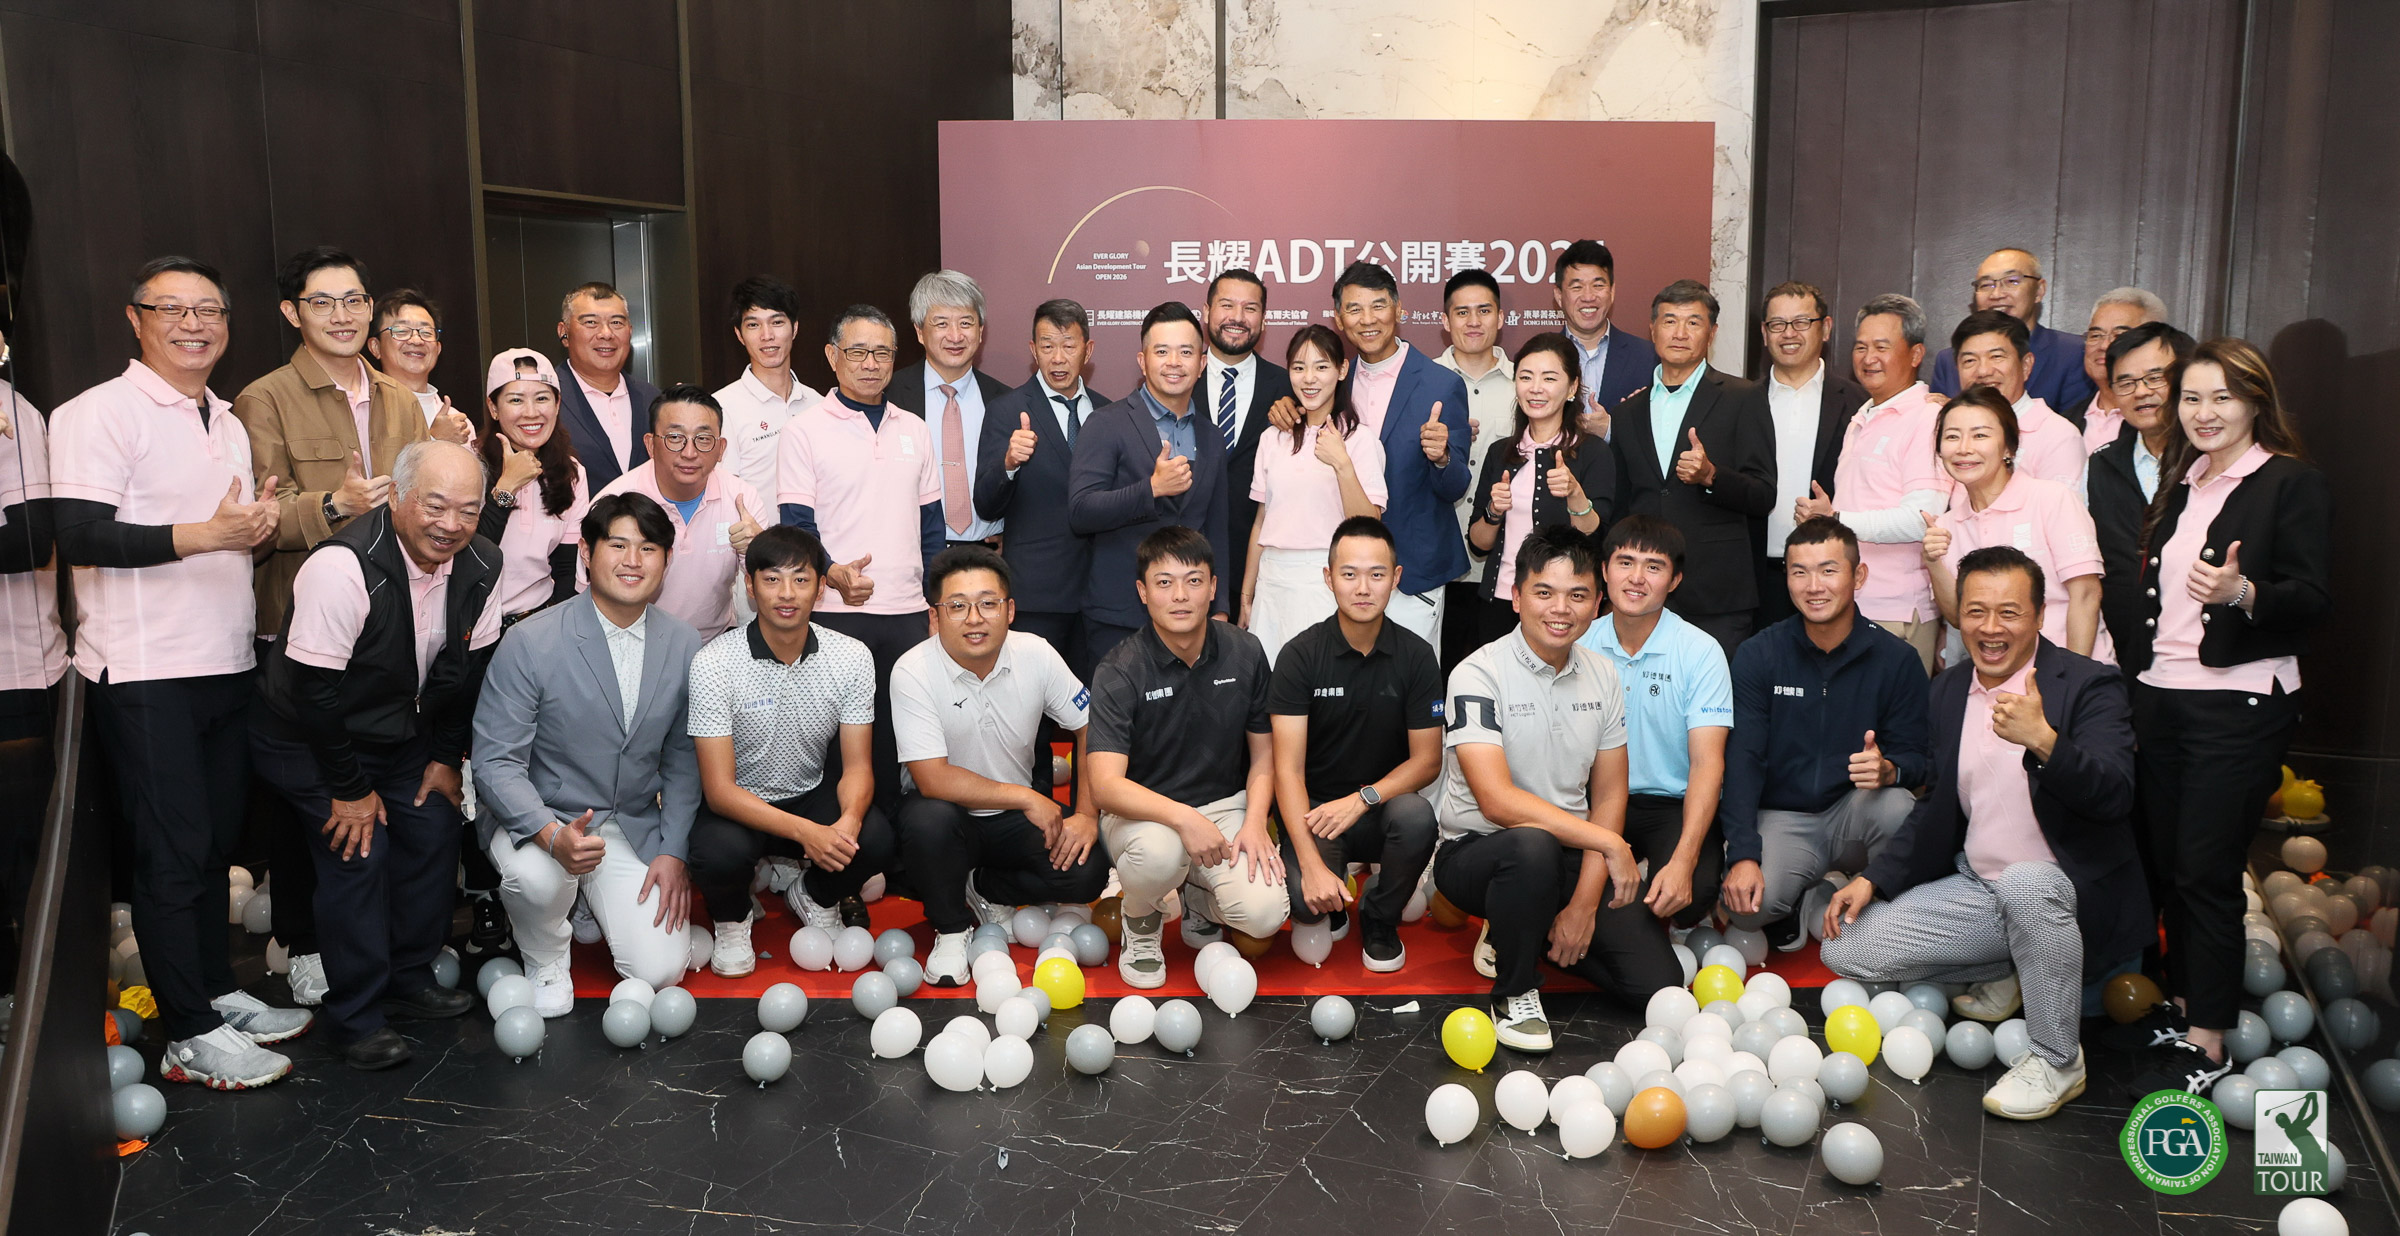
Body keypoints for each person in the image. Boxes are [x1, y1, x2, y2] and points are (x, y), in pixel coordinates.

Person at [52, 256, 309, 1088]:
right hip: (144, 670)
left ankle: (214, 993)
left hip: (224, 662)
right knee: (171, 853)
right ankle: (189, 1034)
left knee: (211, 850)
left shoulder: (224, 418)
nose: (193, 324)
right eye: (172, 309)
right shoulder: (98, 412)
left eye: (209, 311)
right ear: (135, 319)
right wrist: (205, 535)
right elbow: (79, 535)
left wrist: (254, 528)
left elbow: (228, 536)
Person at [1820, 548, 2146, 1120]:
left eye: (2009, 612)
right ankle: (2016, 965)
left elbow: (2115, 794)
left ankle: (2058, 1060)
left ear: (2039, 615)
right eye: (1975, 611)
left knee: (2026, 885)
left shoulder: (2089, 685)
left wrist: (2044, 740)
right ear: (1957, 616)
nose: (1990, 628)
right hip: (1981, 887)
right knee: (1845, 946)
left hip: (2063, 892)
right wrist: (1874, 879)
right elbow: (1935, 807)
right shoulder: (1949, 691)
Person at [2121, 338, 2329, 1097]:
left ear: (2255, 402)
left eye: (2222, 398)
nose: (2203, 413)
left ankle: (2209, 1041)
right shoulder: (2186, 479)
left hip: (2239, 702)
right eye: (2191, 398)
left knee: (2206, 870)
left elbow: (2312, 599)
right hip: (2162, 694)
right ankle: (2184, 1006)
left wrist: (2241, 594)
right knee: (2169, 864)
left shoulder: (2289, 482)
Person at [251, 442, 498, 1069]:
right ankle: (354, 1017)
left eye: (468, 510)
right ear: (398, 497)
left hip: (401, 734)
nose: (451, 525)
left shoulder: (483, 562)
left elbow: (467, 672)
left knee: (433, 825)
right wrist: (350, 789)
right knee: (359, 851)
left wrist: (445, 757)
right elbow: (313, 693)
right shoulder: (341, 567)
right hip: (309, 737)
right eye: (435, 506)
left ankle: (407, 978)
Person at [1435, 529, 1671, 1052]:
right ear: (1516, 597)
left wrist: (1583, 906)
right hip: (1478, 851)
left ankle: (1524, 927)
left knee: (1656, 986)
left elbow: (1609, 796)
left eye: (1577, 595)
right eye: (1544, 592)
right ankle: (1514, 990)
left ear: (1597, 603)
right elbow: (1497, 801)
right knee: (1531, 846)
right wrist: (1610, 844)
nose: (1561, 609)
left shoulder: (1603, 674)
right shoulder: (1477, 673)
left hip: (1570, 853)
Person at [472, 492, 704, 1013]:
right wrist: (551, 834)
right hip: (544, 818)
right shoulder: (530, 640)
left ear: (666, 560)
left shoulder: (684, 642)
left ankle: (585, 904)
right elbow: (495, 761)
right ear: (586, 552)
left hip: (629, 824)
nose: (632, 560)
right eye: (617, 545)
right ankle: (545, 954)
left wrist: (673, 852)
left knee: (661, 971)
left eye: (648, 548)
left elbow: (683, 759)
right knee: (533, 879)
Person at [893, 545, 1104, 985]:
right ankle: (952, 929)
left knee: (1088, 872)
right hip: (947, 817)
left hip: (1011, 819)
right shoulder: (912, 670)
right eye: (958, 606)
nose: (975, 618)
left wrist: (1086, 814)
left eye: (988, 603)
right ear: (935, 616)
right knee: (927, 822)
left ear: (1009, 610)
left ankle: (984, 886)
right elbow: (932, 778)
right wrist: (1027, 796)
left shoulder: (1036, 653)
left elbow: (1090, 726)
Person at [685, 524, 892, 970]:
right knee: (715, 853)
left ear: (821, 588)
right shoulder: (714, 663)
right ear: (750, 586)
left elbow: (858, 768)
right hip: (740, 801)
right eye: (772, 579)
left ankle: (815, 895)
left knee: (874, 837)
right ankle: (732, 919)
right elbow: (719, 791)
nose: (786, 593)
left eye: (801, 579)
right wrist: (806, 834)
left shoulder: (852, 656)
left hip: (809, 791)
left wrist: (849, 821)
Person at [1086, 526, 1285, 987]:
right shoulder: (1119, 668)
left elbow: (1264, 754)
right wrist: (1183, 818)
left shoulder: (1245, 651)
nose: (1180, 595)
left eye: (1194, 581)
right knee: (1160, 854)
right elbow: (1106, 786)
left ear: (1213, 587)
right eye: (1164, 582)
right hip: (1143, 814)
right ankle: (1141, 917)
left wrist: (1256, 821)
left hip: (1225, 807)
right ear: (1143, 592)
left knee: (1264, 916)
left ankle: (1197, 896)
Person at [1719, 518, 1930, 950]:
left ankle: (1872, 898)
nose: (1814, 586)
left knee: (1899, 808)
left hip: (1856, 810)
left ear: (1858, 576)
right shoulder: (1759, 654)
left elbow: (1921, 757)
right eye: (1800, 572)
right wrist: (1742, 855)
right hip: (1783, 817)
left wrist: (1891, 770)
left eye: (1829, 570)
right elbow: (1742, 761)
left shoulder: (1896, 659)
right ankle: (1808, 893)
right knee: (1748, 911)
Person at [776, 305, 945, 820]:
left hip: (907, 614)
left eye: (882, 353)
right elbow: (797, 525)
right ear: (832, 356)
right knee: (835, 744)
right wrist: (832, 573)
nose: (871, 363)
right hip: (834, 614)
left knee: (898, 739)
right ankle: (838, 845)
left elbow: (932, 529)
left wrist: (936, 603)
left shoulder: (915, 428)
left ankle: (892, 846)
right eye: (858, 351)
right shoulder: (803, 431)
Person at [1267, 517, 1441, 972]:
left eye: (1376, 574)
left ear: (1395, 578)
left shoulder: (1417, 656)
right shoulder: (1299, 657)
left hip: (1381, 806)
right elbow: (1287, 771)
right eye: (1349, 574)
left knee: (1418, 817)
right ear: (1329, 578)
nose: (1363, 588)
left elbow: (1428, 761)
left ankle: (1379, 914)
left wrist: (1364, 799)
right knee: (1303, 900)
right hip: (1317, 813)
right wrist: (1311, 864)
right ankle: (1332, 895)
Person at [237, 246, 438, 639]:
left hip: (395, 612)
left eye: (353, 301)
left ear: (369, 307)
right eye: (321, 303)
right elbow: (259, 520)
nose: (342, 316)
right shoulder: (263, 400)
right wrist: (335, 505)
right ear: (292, 313)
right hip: (303, 619)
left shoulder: (401, 398)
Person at [1268, 263, 1471, 650]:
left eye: (1378, 306)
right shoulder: (1332, 380)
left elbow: (1456, 486)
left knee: (1408, 681)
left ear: (1399, 309)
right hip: (1342, 576)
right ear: (1338, 318)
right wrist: (1285, 408)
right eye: (1354, 309)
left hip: (1413, 573)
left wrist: (1443, 456)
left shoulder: (1441, 384)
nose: (1367, 319)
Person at [1575, 516, 1733, 930]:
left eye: (1654, 566)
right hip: (1591, 800)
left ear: (1675, 580)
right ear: (1604, 570)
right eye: (1625, 562)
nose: (1637, 578)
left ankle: (1649, 874)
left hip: (1669, 804)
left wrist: (1684, 860)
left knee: (1690, 896)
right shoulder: (1577, 644)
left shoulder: (1701, 652)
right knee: (1563, 881)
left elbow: (1707, 764)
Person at [1606, 279, 1772, 661]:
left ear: (1711, 333)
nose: (1680, 333)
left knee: (1713, 697)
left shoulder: (1742, 397)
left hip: (1716, 594)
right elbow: (1621, 505)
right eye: (1670, 321)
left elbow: (1764, 494)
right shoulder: (1627, 412)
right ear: (1652, 329)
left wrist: (1712, 476)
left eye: (1693, 322)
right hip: (1642, 593)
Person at [1068, 301, 1233, 660]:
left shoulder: (1211, 436)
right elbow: (1081, 511)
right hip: (1120, 615)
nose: (1174, 362)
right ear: (1142, 362)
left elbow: (1216, 529)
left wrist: (1219, 606)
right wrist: (1152, 489)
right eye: (1162, 351)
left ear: (1202, 363)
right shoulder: (1106, 423)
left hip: (1190, 617)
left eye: (1186, 352)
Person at [1795, 294, 1947, 675]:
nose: (1868, 358)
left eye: (1882, 347)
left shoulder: (1928, 417)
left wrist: (1836, 519)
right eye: (1860, 347)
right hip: (1851, 603)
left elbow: (1922, 520)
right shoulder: (1862, 415)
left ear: (1916, 354)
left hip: (1897, 610)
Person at [974, 298, 1111, 680]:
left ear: (1088, 350)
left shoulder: (1109, 413)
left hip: (1100, 596)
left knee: (1095, 702)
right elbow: (985, 504)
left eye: (1069, 346)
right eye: (1048, 346)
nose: (1058, 358)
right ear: (1033, 351)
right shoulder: (1006, 410)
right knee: (1033, 706)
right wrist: (1008, 463)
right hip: (1036, 595)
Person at [1921, 388, 2107, 660]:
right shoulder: (1946, 525)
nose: (1964, 448)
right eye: (1952, 436)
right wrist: (1933, 562)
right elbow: (1959, 618)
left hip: (2069, 665)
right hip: (1995, 672)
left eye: (1980, 435)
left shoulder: (2051, 499)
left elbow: (2086, 594)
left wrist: (2072, 676)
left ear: (2008, 446)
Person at [1239, 325, 1385, 664]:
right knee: (1271, 682)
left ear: (1342, 370)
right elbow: (1261, 522)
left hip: (1329, 581)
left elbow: (1369, 526)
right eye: (1299, 367)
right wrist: (1247, 593)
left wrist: (1342, 464)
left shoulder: (1360, 440)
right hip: (1273, 582)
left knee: (1324, 680)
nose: (1309, 378)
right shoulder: (1272, 438)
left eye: (1321, 367)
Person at [1463, 332, 1612, 648]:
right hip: (1501, 601)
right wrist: (1493, 512)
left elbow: (1597, 538)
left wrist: (1575, 494)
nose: (1535, 388)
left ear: (1572, 387)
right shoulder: (1500, 452)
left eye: (1549, 378)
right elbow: (1478, 545)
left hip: (1563, 609)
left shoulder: (1593, 452)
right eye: (1526, 377)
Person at [0, 335, 65, 1012]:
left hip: (13, 674)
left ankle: (29, 1012)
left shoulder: (10, 412)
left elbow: (29, 540)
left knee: (22, 853)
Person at [594, 385, 765, 640]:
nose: (689, 453)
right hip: (634, 641)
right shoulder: (614, 502)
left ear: (721, 449)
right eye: (675, 437)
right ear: (651, 445)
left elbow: (767, 587)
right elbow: (591, 596)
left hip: (713, 642)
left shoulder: (742, 500)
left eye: (703, 439)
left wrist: (757, 551)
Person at [1747, 281, 1868, 628]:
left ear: (1825, 328)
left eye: (1802, 322)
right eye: (1777, 324)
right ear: (1764, 333)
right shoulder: (1740, 401)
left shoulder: (1860, 404)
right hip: (1755, 577)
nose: (1789, 333)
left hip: (1828, 579)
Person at [2090, 323, 2197, 658]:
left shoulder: (2212, 463)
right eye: (2126, 382)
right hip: (2123, 650)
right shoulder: (2101, 464)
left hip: (2197, 650)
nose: (2141, 392)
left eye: (2155, 377)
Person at [889, 270, 1009, 549]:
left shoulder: (1005, 401)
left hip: (987, 553)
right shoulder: (890, 396)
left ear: (981, 331)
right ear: (920, 332)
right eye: (941, 323)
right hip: (913, 552)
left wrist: (1014, 535)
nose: (955, 336)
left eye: (966, 323)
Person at [1432, 269, 1515, 668]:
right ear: (1445, 321)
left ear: (1501, 317)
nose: (1473, 321)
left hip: (1505, 569)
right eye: (1462, 312)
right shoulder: (1423, 382)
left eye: (1484, 310)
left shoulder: (1526, 385)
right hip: (1439, 565)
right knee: (1438, 680)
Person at [476, 349, 588, 624]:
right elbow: (470, 558)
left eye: (542, 398)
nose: (531, 413)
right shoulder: (468, 464)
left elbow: (566, 567)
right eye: (516, 400)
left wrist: (552, 629)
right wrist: (507, 486)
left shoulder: (572, 473)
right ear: (493, 408)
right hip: (475, 625)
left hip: (539, 619)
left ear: (557, 404)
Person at [1193, 269, 1293, 560]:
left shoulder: (1288, 388)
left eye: (1250, 308)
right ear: (1206, 312)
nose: (1237, 317)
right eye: (1227, 305)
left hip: (1261, 557)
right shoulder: (1178, 380)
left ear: (1263, 319)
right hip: (1185, 558)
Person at [1928, 247, 2096, 410]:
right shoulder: (1947, 360)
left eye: (2011, 281)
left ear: (2039, 290)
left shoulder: (2073, 353)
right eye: (1986, 285)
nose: (1997, 294)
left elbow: (2075, 421)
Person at [1950, 309, 2087, 493]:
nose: (1983, 371)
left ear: (2026, 365)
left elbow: (2059, 510)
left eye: (1996, 357)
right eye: (1969, 360)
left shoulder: (2058, 436)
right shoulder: (1950, 433)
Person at [713, 276, 822, 507]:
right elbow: (723, 494)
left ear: (795, 328)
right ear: (739, 335)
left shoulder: (818, 404)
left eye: (777, 322)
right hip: (756, 531)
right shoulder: (721, 408)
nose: (767, 335)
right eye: (753, 325)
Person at [553, 281, 660, 491]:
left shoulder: (653, 399)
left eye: (617, 323)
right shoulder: (544, 400)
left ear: (630, 331)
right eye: (591, 322)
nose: (606, 333)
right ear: (564, 333)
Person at [1554, 239, 1659, 433]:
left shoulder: (1648, 357)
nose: (1588, 297)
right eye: (1577, 287)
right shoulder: (1540, 356)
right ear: (1559, 296)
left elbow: (1662, 432)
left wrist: (1611, 430)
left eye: (1598, 285)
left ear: (1612, 292)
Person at [2065, 287, 2168, 451]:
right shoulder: (2065, 421)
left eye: (2119, 336)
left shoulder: (2162, 418)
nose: (2104, 345)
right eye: (2095, 336)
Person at [366, 288, 474, 441]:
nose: (416, 340)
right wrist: (434, 439)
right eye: (401, 330)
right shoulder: (363, 411)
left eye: (426, 332)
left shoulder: (458, 424)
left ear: (438, 349)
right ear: (375, 347)